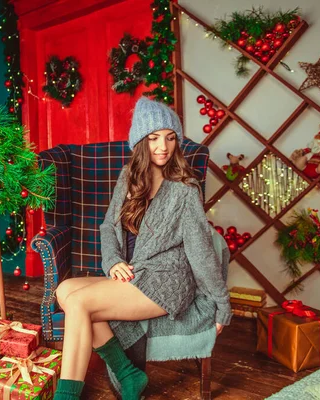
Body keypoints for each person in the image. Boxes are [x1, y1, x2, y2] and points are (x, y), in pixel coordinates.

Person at [53, 97, 231, 400]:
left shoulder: (185, 189)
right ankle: (129, 374)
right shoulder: (127, 177)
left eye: (170, 138)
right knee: (65, 291)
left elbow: (201, 251)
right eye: (153, 138)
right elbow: (109, 226)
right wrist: (112, 261)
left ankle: (65, 397)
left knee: (80, 304)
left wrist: (222, 305)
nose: (163, 146)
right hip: (136, 273)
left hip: (167, 280)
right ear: (140, 141)